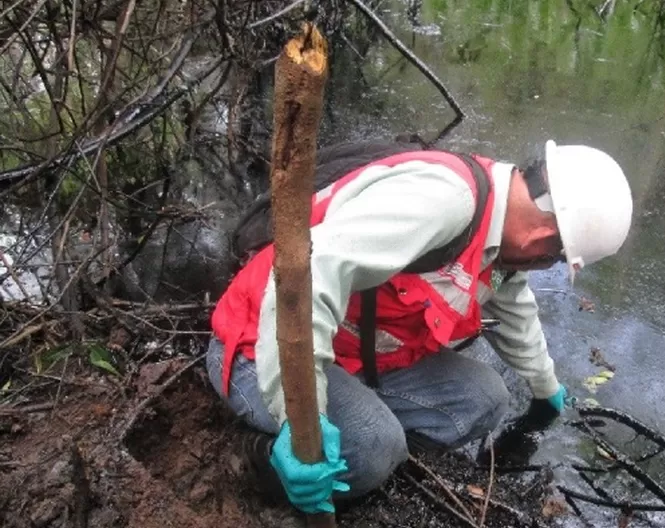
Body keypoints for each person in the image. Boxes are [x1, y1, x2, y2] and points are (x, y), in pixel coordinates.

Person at [205, 138, 633, 514]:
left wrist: (546, 388)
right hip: (259, 345)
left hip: (349, 355)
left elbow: (513, 306)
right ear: (544, 238)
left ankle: (363, 457)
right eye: (555, 258)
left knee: (484, 400)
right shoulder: (445, 203)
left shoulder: (499, 239)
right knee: (373, 447)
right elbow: (304, 283)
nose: (546, 265)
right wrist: (301, 417)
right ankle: (257, 458)